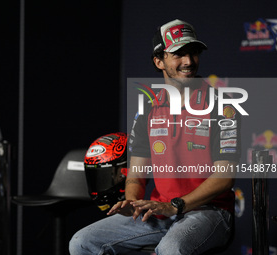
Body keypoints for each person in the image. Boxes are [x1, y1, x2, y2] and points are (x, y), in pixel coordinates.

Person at [69, 19, 241, 255]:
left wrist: (176, 205)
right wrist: (132, 201)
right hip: (160, 211)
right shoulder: (147, 110)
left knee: (171, 249)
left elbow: (225, 179)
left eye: (193, 53)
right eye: (179, 54)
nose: (189, 61)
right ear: (159, 61)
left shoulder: (223, 107)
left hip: (209, 212)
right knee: (82, 242)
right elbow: (137, 174)